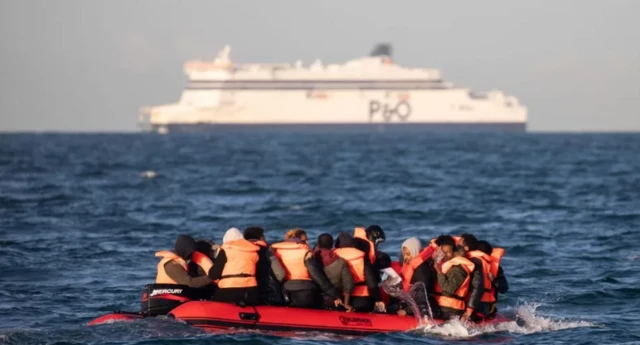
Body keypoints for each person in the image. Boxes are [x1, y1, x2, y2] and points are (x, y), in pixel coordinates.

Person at [272, 229, 341, 309]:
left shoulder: (276, 252)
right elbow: (316, 275)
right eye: (305, 240)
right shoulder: (305, 253)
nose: (307, 243)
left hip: (285, 293)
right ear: (298, 241)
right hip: (306, 292)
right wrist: (334, 295)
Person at [334, 232, 385, 313]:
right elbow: (372, 285)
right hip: (362, 299)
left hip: (340, 299)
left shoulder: (333, 258)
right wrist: (378, 299)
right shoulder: (362, 259)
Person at [432, 235, 477, 321]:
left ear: (454, 253)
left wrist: (439, 272)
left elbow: (449, 290)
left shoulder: (458, 269)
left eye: (448, 252)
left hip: (451, 311)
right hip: (442, 307)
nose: (445, 255)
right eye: (443, 252)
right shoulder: (445, 266)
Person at [208, 234, 260, 305]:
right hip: (251, 291)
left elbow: (213, 275)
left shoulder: (225, 251)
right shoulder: (254, 251)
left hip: (229, 291)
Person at [243, 226, 287, 305]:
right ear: (261, 238)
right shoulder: (267, 251)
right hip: (269, 295)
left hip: (247, 295)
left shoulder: (240, 251)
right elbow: (281, 275)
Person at [314, 233, 355, 311]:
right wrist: (346, 304)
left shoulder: (311, 260)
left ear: (318, 245)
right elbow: (349, 284)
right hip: (336, 299)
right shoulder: (341, 262)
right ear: (332, 245)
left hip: (315, 297)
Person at [458, 233, 487, 321]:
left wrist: (469, 311)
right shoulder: (469, 261)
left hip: (478, 308)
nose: (456, 246)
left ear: (466, 248)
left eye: (459, 244)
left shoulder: (475, 263)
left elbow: (478, 286)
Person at [477, 240, 508, 317]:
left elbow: (504, 288)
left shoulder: (496, 270)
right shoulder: (468, 265)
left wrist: (494, 280)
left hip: (487, 310)